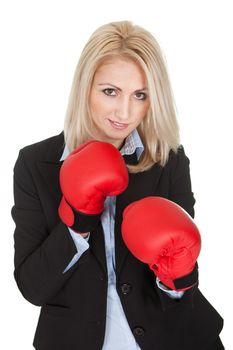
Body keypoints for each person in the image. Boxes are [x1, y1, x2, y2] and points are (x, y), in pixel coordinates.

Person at [12, 20, 224, 350]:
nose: (124, 112)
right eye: (110, 91)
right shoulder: (35, 164)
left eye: (140, 95)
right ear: (86, 86)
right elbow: (32, 288)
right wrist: (76, 225)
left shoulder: (168, 159)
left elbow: (183, 290)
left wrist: (176, 275)